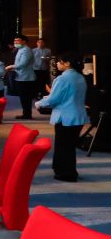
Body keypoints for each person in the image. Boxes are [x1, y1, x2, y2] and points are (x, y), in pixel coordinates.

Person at [37, 52, 88, 182]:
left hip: (65, 117)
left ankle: (65, 173)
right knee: (70, 146)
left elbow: (54, 99)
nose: (57, 64)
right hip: (78, 115)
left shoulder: (62, 79)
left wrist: (39, 103)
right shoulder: (80, 77)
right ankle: (68, 171)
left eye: (60, 62)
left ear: (67, 63)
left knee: (63, 146)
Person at [6, 35, 36, 120]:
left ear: (24, 41)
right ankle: (25, 113)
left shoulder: (26, 50)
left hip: (26, 77)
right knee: (23, 97)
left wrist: (11, 66)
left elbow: (23, 64)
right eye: (15, 41)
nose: (15, 42)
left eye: (18, 40)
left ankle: (27, 114)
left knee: (26, 97)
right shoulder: (20, 49)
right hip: (21, 76)